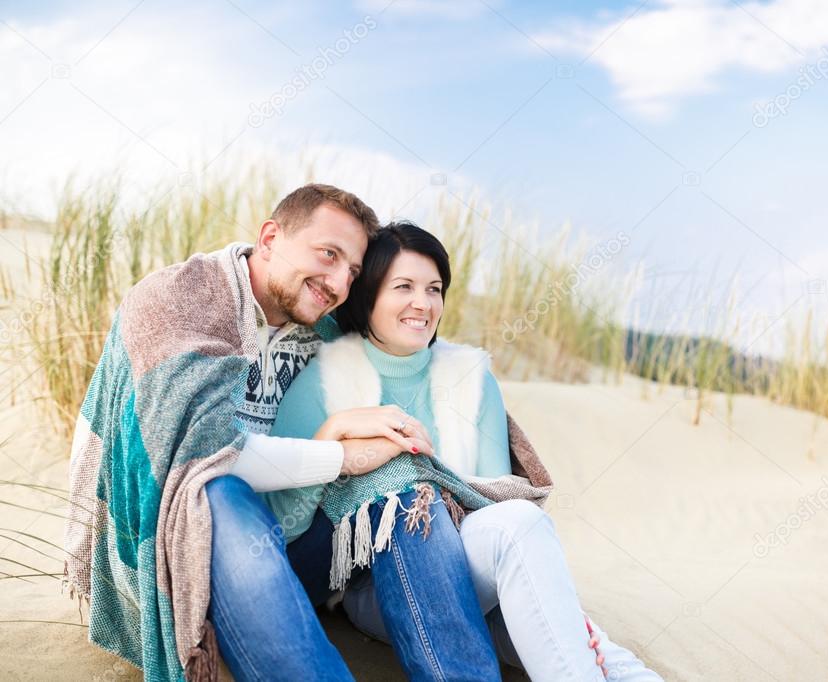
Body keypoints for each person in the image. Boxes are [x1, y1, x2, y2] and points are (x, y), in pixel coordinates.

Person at [65, 185, 504, 681]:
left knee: (396, 473)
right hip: (175, 546)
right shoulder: (178, 301)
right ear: (270, 237)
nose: (338, 282)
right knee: (219, 491)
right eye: (328, 254)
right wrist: (336, 445)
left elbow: (412, 355)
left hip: (291, 546)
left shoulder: (326, 324)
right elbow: (196, 462)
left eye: (353, 271)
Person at [264, 221, 663, 681]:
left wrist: (437, 478)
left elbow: (493, 506)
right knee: (406, 487)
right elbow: (283, 525)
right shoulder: (323, 382)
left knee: (521, 522)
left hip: (464, 567)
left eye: (434, 289)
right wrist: (342, 450)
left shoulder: (470, 378)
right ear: (368, 294)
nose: (423, 303)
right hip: (373, 586)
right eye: (404, 287)